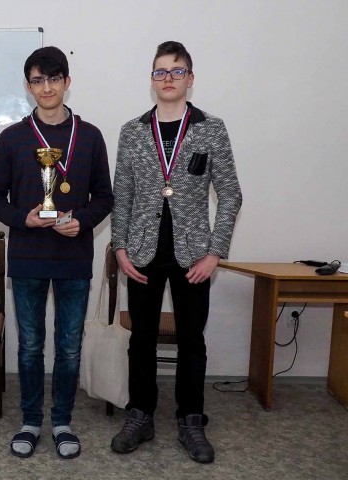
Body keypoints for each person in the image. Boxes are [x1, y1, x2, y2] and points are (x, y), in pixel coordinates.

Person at [109, 41, 242, 464]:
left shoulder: (210, 128)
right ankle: (140, 414)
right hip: (142, 253)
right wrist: (120, 248)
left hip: (194, 257)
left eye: (177, 71)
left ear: (190, 78)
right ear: (152, 80)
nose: (168, 78)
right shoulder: (133, 131)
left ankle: (191, 419)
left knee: (192, 341)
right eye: (160, 71)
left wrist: (215, 253)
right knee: (141, 340)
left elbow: (231, 194)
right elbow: (121, 197)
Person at [0, 46, 114, 460]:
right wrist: (22, 218)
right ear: (28, 87)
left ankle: (61, 422)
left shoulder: (90, 136)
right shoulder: (12, 137)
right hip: (28, 257)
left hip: (74, 256)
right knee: (29, 346)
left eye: (54, 78)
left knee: (69, 347)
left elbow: (105, 196)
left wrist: (84, 220)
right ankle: (29, 421)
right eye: (38, 80)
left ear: (67, 82)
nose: (46, 87)